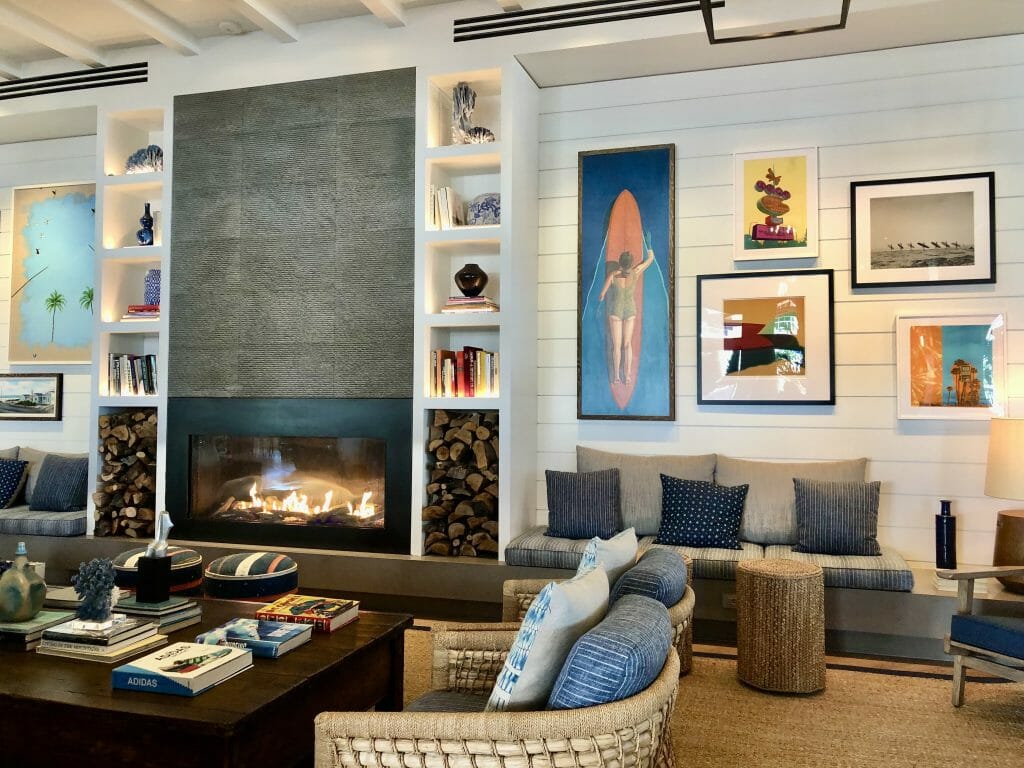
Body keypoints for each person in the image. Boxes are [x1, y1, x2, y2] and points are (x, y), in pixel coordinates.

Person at [598, 247, 655, 385]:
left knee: (616, 346)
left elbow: (601, 295)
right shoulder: (636, 272)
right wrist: (650, 247)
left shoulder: (612, 275)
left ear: (620, 262)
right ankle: (627, 376)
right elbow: (651, 259)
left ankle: (617, 377)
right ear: (631, 264)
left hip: (615, 311)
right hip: (630, 310)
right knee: (627, 344)